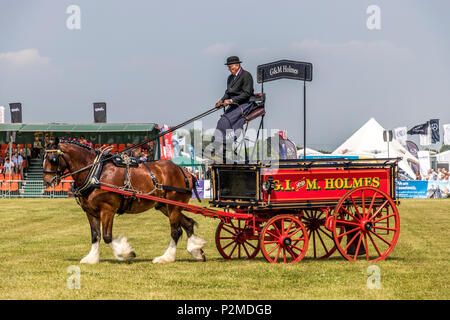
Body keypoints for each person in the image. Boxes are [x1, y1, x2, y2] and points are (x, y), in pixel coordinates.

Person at [213, 56, 256, 158]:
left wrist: (232, 100)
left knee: (228, 120)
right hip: (234, 104)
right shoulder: (230, 78)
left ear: (236, 66)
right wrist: (221, 101)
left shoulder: (246, 75)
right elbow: (228, 93)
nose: (228, 69)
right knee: (222, 121)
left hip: (245, 103)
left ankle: (225, 144)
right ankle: (218, 144)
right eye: (228, 67)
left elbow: (247, 93)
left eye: (230, 67)